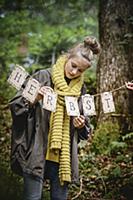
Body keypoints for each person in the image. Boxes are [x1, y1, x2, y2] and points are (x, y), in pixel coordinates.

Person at [9, 36, 100, 200]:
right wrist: (34, 98)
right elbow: (16, 107)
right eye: (73, 66)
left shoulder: (81, 91)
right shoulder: (43, 77)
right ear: (67, 57)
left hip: (63, 159)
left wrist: (81, 125)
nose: (74, 72)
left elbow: (86, 130)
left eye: (80, 71)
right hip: (36, 151)